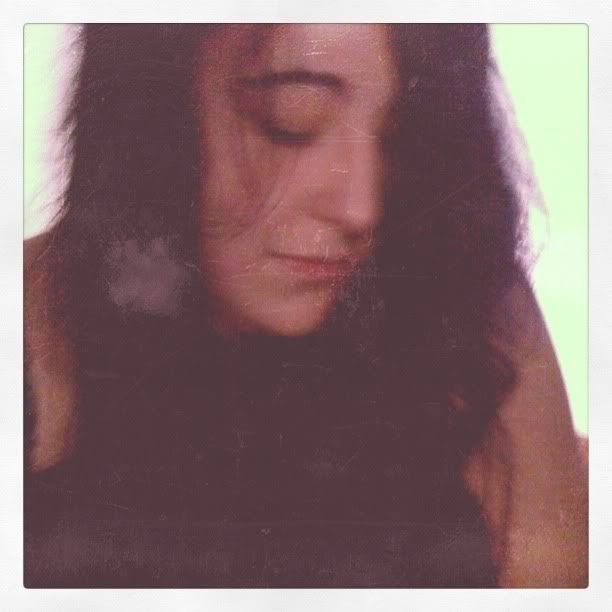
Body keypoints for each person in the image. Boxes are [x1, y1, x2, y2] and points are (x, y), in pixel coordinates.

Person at [24, 23, 587, 587]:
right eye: (291, 122)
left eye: (398, 139)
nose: (361, 208)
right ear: (149, 109)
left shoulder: (468, 306)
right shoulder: (29, 326)